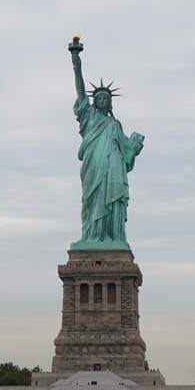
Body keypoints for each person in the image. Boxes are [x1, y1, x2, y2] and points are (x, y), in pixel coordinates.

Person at [68, 40, 144, 248]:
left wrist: (134, 149)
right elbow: (81, 91)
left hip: (113, 170)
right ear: (94, 102)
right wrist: (77, 63)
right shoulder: (89, 117)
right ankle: (92, 236)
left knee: (110, 198)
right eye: (99, 97)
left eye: (105, 98)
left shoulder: (114, 124)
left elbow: (127, 154)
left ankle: (111, 237)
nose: (101, 99)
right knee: (92, 200)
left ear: (109, 102)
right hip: (94, 165)